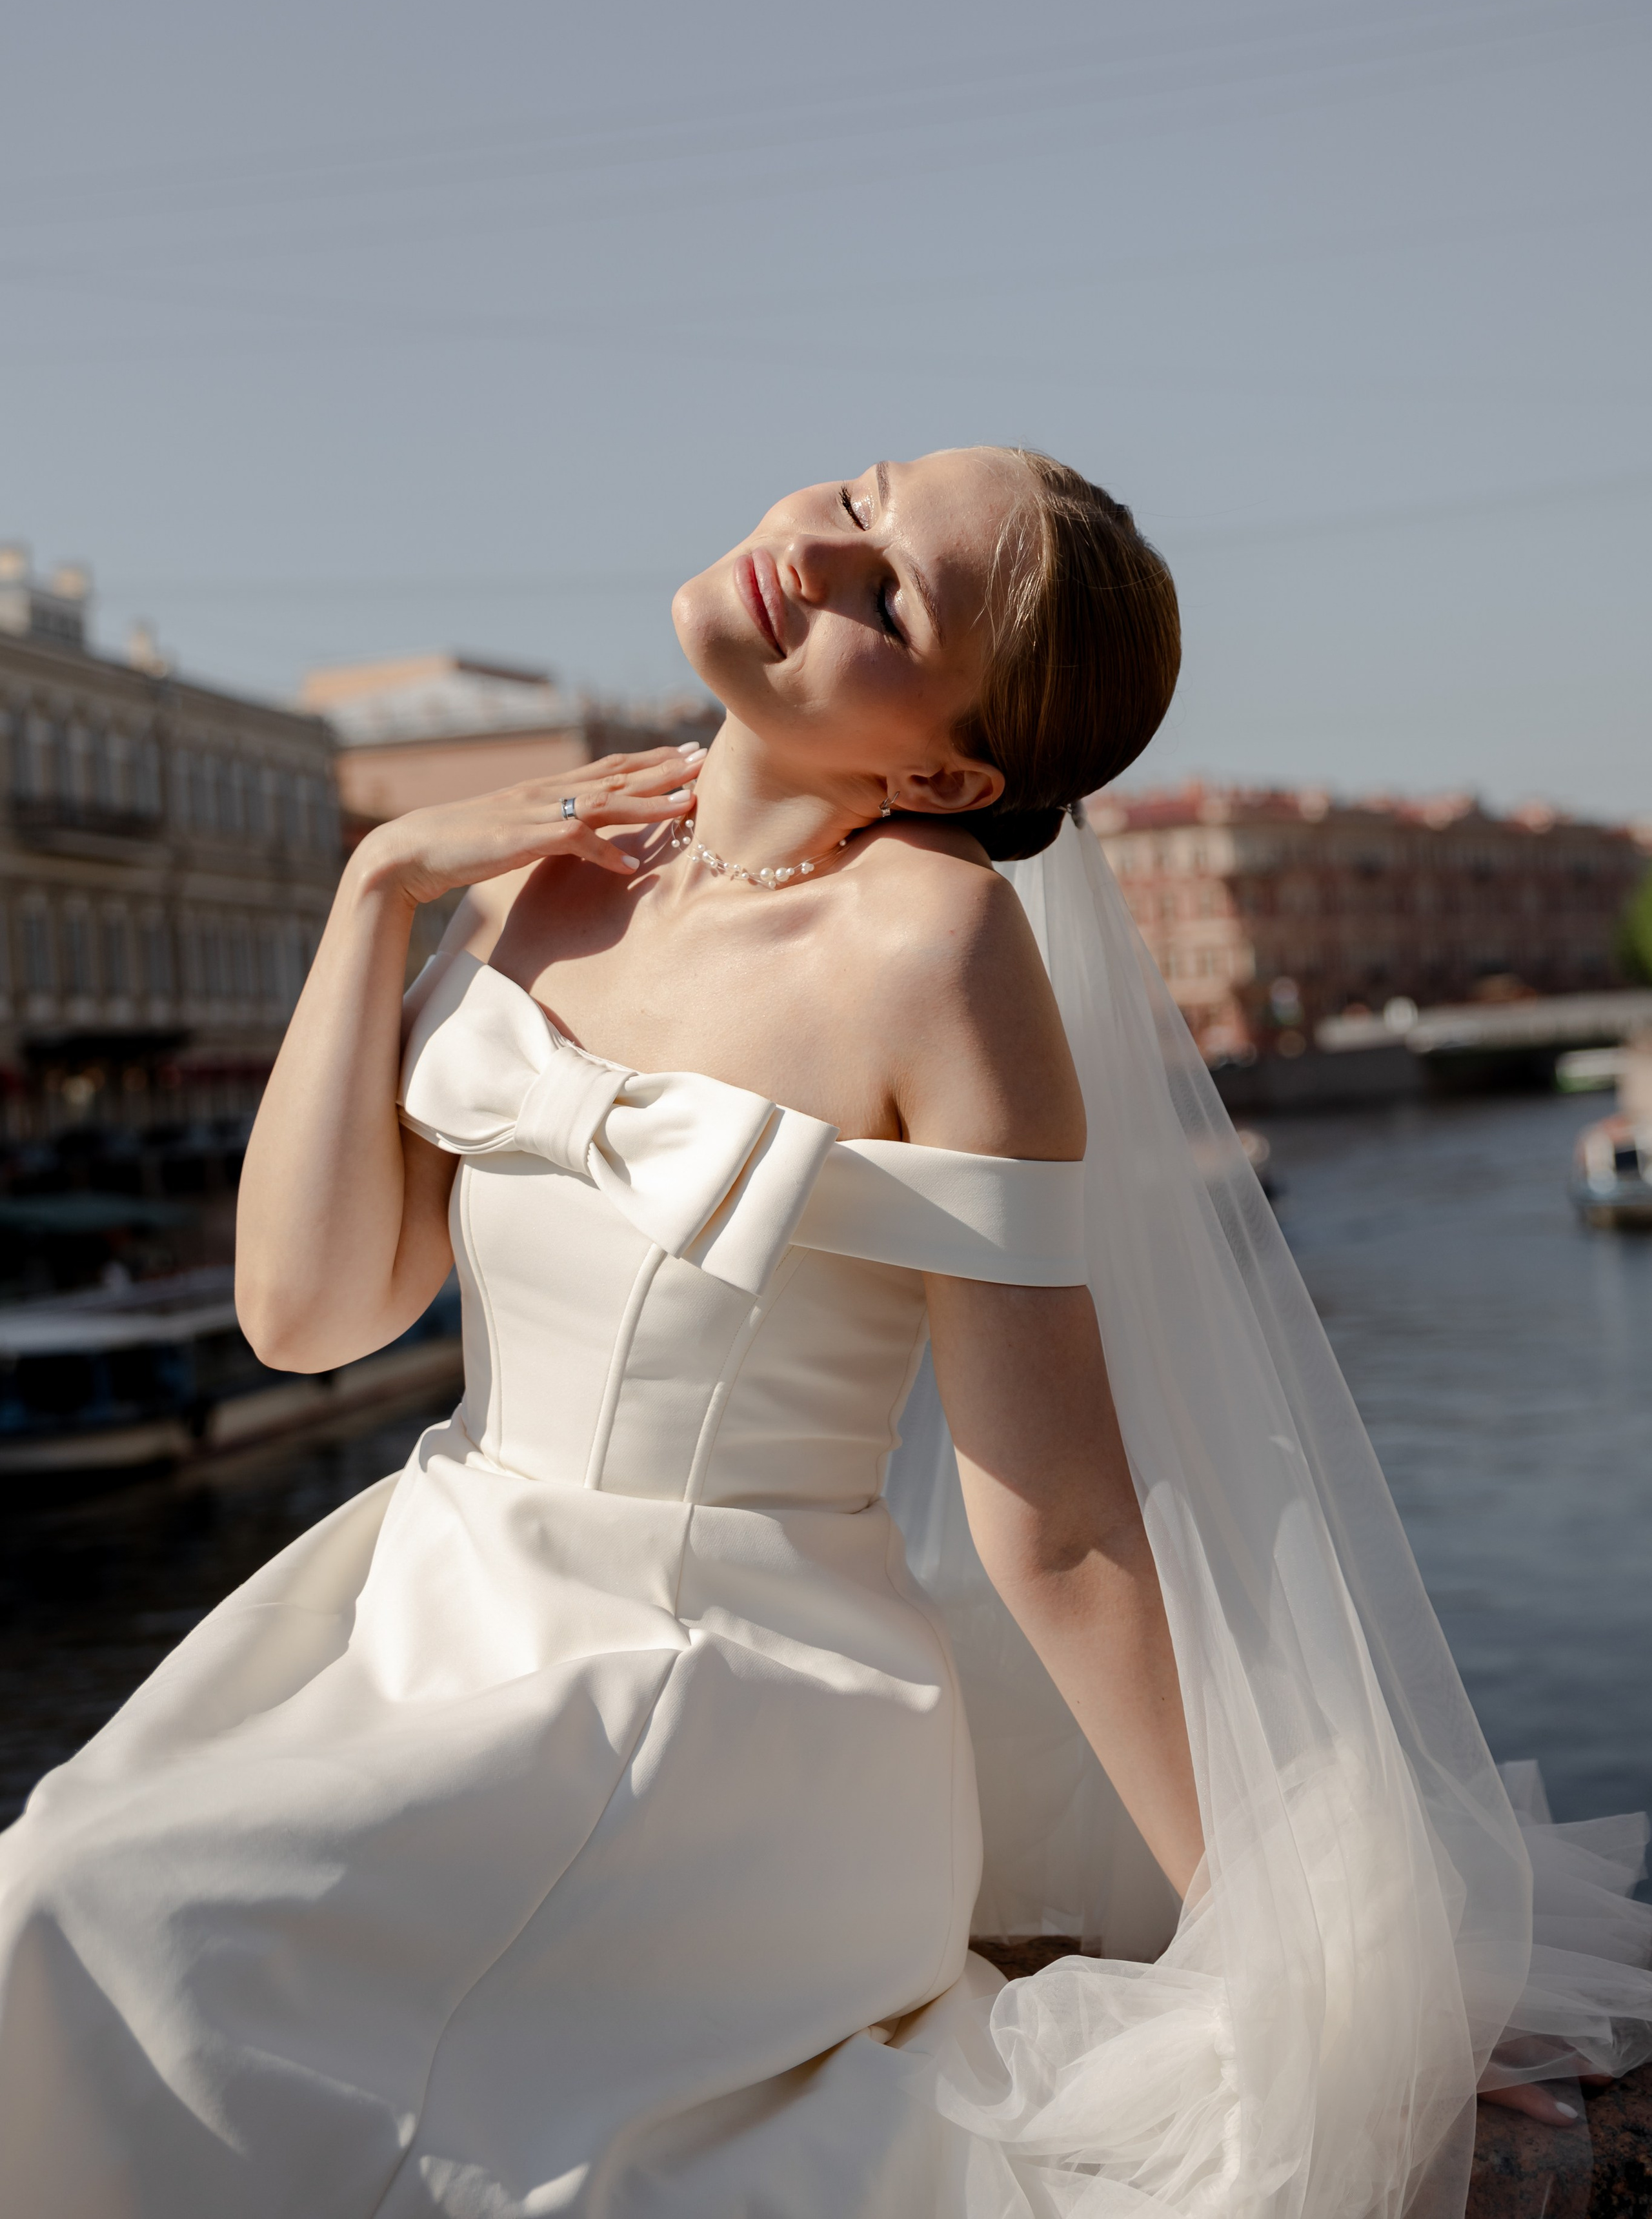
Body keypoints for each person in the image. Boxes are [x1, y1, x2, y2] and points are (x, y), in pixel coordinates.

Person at [0, 447, 1646, 2217]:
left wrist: (1320, 1966)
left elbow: (1064, 1520)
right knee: (58, 1890)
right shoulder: (530, 888)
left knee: (105, 1924)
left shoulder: (934, 952)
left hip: (716, 1693)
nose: (819, 554)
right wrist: (380, 882)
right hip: (422, 1602)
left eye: (896, 596)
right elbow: (310, 1313)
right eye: (857, 500)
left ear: (946, 765)